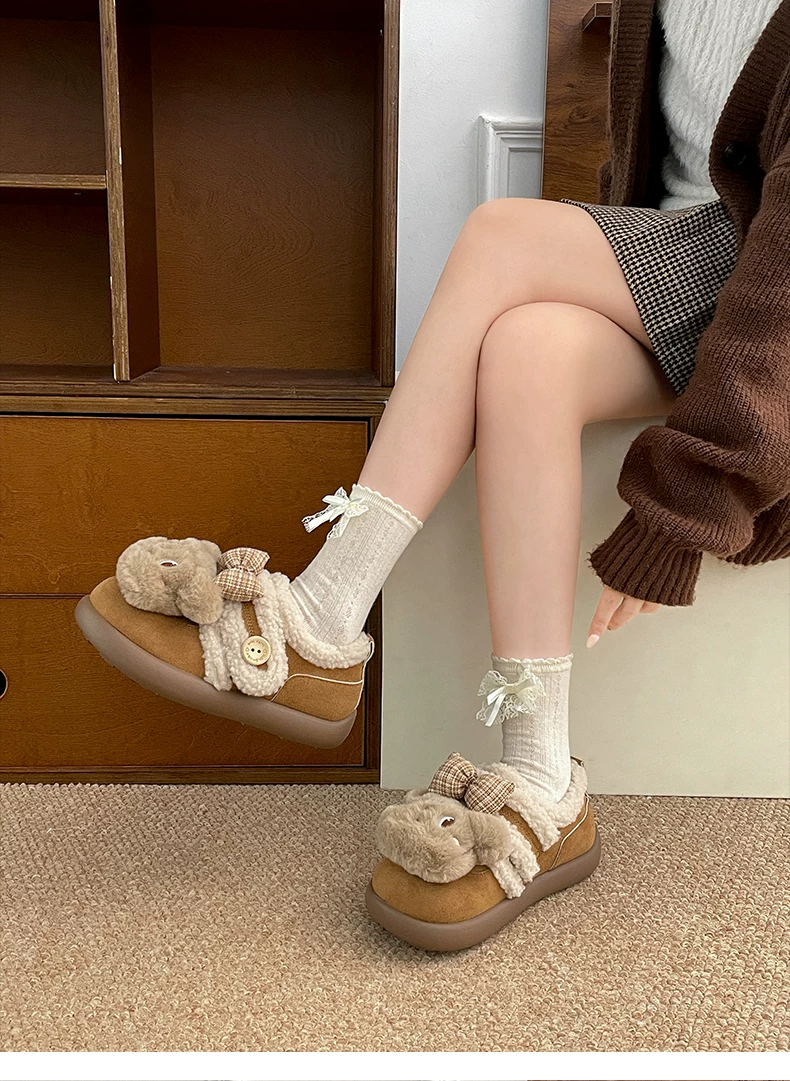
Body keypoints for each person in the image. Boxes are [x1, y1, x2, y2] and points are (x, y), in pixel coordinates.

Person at [77, 0, 790, 950]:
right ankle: (543, 772)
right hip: (694, 275)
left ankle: (327, 613)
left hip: (767, 302)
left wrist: (690, 502)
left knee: (501, 233)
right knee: (528, 352)